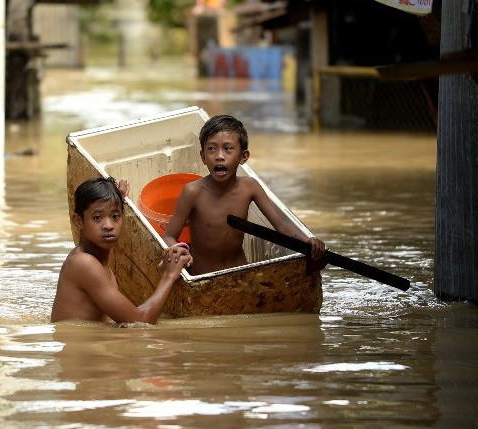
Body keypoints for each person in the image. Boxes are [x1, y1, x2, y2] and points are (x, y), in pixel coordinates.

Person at [162, 114, 325, 275]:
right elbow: (169, 236)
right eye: (212, 149)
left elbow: (281, 226)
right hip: (202, 278)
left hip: (240, 275)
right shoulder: (192, 192)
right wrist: (178, 250)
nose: (219, 156)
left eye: (228, 149)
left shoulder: (249, 187)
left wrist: (308, 241)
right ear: (203, 156)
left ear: (243, 157)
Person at [51, 177, 192, 325]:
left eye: (115, 216)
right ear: (78, 221)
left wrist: (120, 199)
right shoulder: (84, 263)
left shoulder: (96, 258)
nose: (108, 225)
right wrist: (169, 275)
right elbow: (140, 322)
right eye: (97, 217)